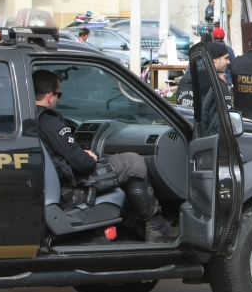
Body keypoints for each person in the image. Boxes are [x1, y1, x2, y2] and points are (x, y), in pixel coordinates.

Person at [33, 70, 179, 243]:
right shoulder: (49, 122)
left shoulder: (29, 117)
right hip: (69, 191)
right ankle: (157, 228)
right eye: (59, 95)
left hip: (53, 187)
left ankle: (139, 227)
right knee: (133, 162)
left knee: (118, 179)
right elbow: (83, 164)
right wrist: (90, 157)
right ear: (50, 96)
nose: (58, 99)